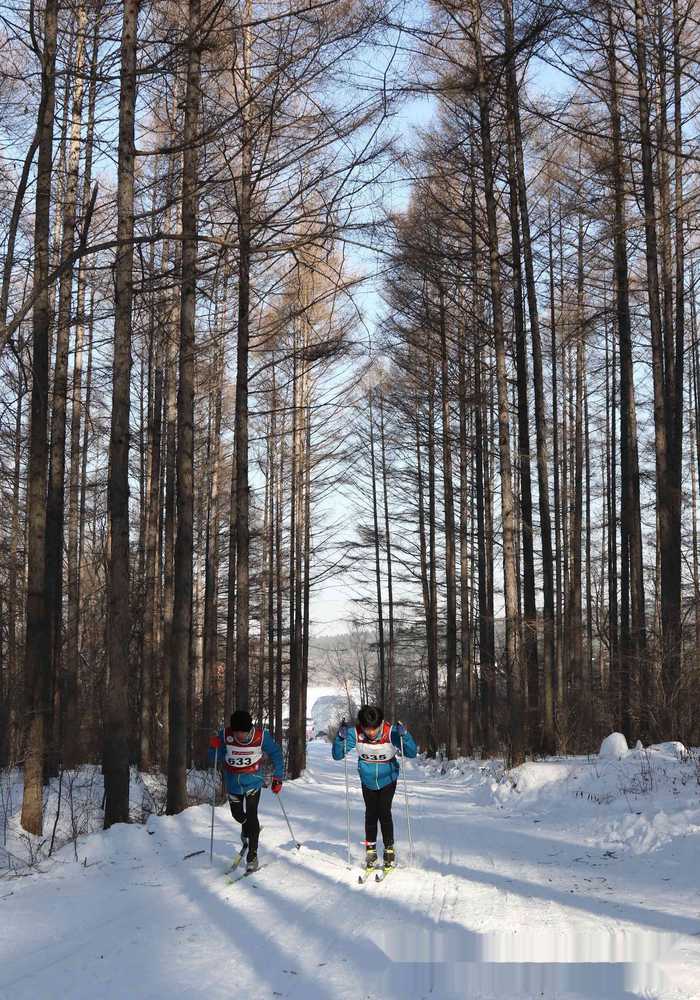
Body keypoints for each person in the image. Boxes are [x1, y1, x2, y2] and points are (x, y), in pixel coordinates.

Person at [332, 704, 417, 871]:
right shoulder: (355, 733)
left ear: (381, 723)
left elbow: (412, 752)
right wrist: (340, 738)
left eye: (374, 728)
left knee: (384, 812)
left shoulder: (390, 732)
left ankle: (389, 849)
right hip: (368, 779)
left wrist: (405, 736)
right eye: (367, 729)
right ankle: (370, 849)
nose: (371, 733)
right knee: (371, 813)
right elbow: (337, 755)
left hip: (388, 778)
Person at [209, 709, 284, 873]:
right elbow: (214, 756)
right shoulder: (225, 735)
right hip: (233, 784)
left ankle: (253, 855)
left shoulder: (260, 736)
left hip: (253, 783)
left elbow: (276, 753)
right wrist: (213, 747)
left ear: (249, 729)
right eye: (236, 733)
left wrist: (278, 777)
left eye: (243, 733)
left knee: (252, 816)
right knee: (238, 815)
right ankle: (247, 829)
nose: (239, 736)